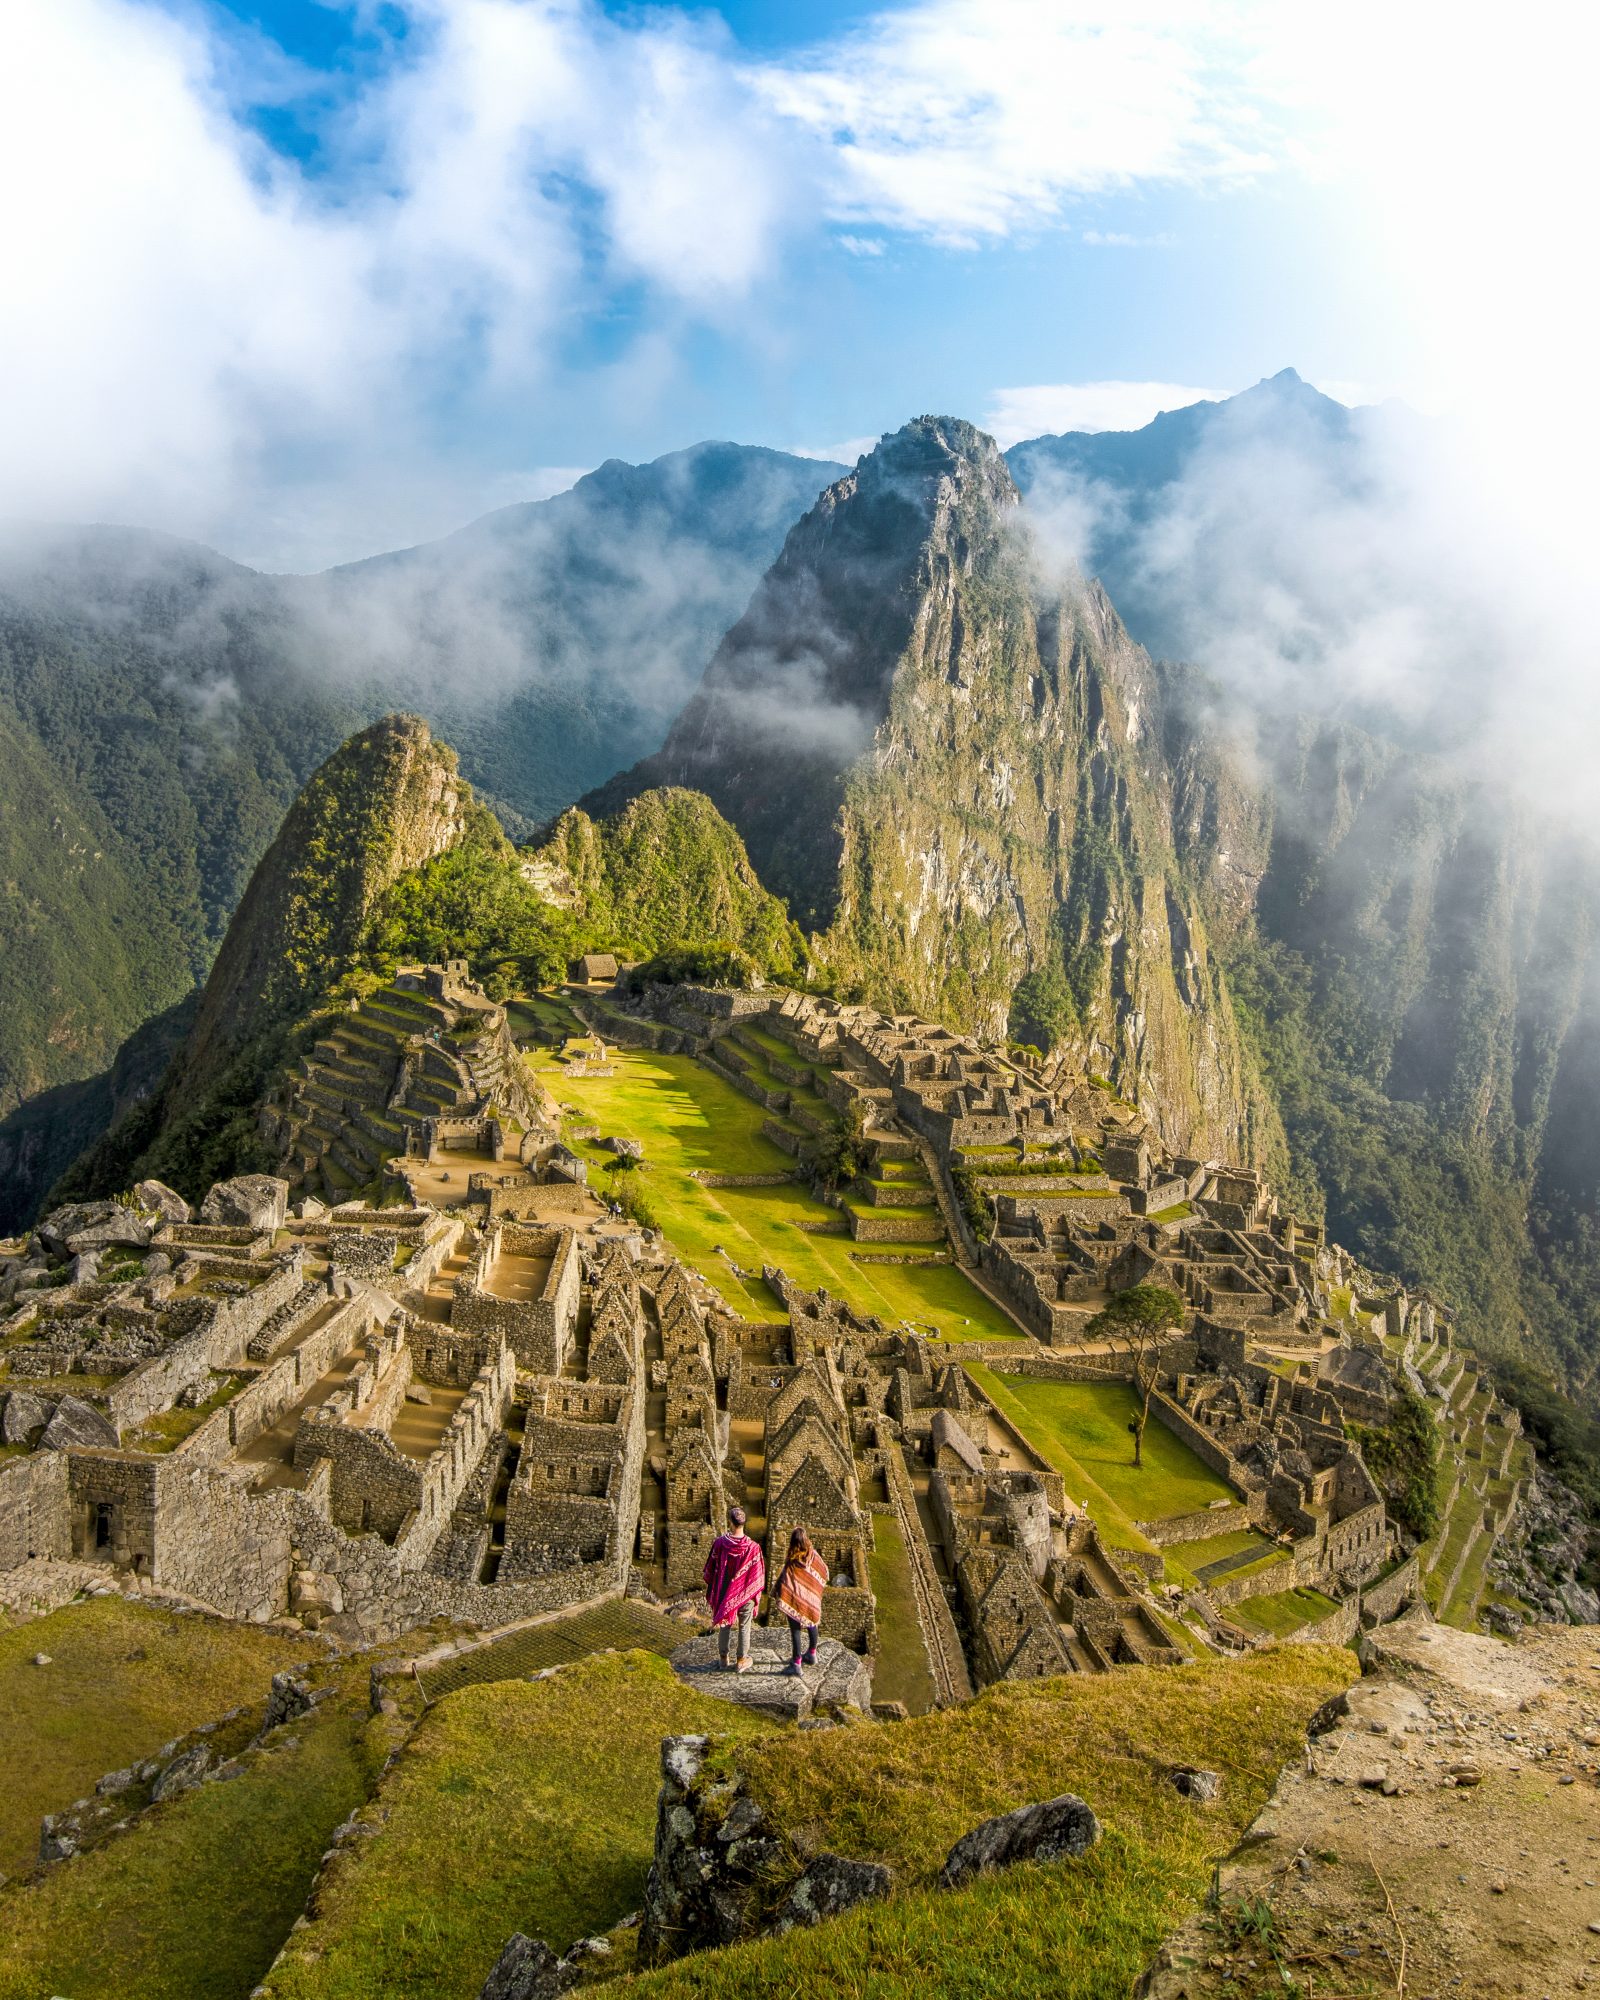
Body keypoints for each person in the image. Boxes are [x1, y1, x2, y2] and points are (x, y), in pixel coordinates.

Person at [703, 1506, 763, 1674]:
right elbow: (757, 1574)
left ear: (730, 1522)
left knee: (725, 1623)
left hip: (725, 1591)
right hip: (745, 1593)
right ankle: (741, 1660)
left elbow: (710, 1568)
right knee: (745, 1625)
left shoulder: (721, 1543)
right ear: (744, 1523)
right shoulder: (753, 1548)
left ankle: (723, 1659)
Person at [773, 1526, 829, 1677]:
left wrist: (776, 1590)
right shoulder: (814, 1555)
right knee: (812, 1623)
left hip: (796, 1601)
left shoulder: (792, 1562)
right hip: (812, 1600)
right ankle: (812, 1653)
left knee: (796, 1630)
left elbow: (785, 1583)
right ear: (805, 1540)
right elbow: (824, 1571)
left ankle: (796, 1663)